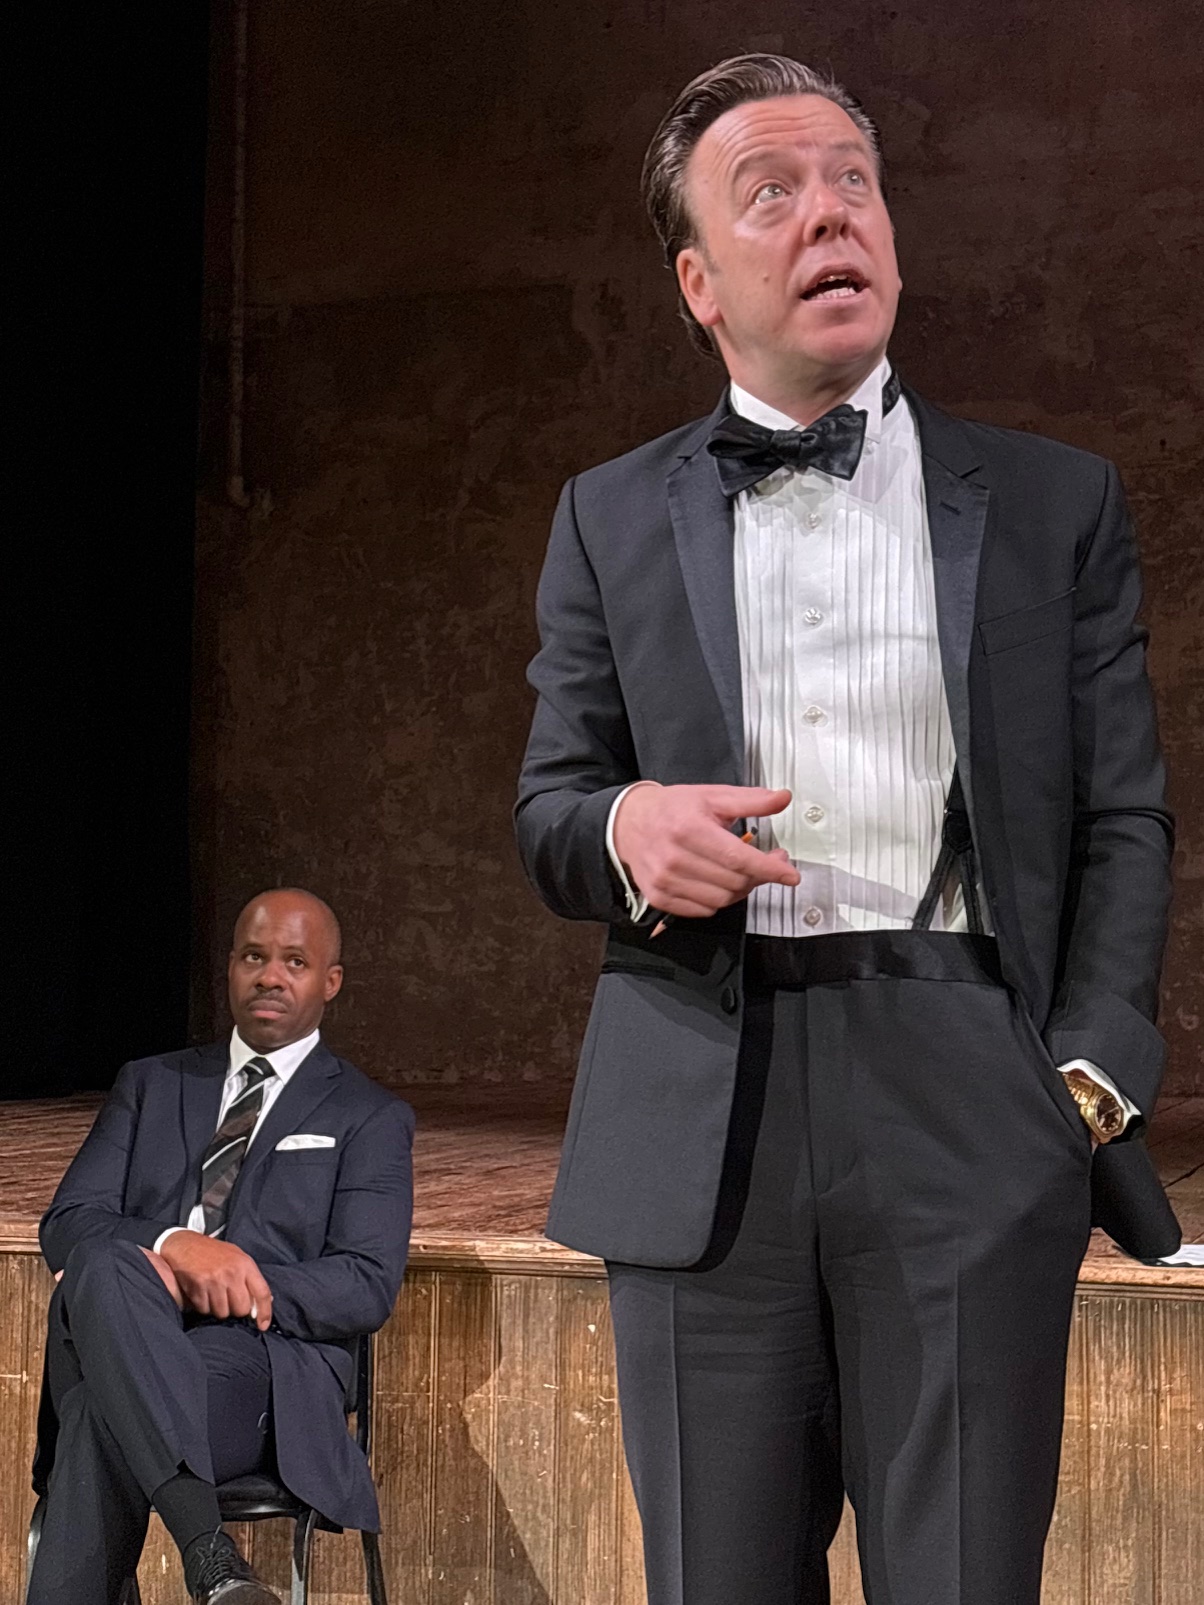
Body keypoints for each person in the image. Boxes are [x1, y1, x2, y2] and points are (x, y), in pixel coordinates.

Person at [515, 54, 1177, 1605]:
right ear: (699, 282)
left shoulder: (1054, 502)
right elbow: (552, 806)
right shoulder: (607, 515)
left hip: (969, 1094)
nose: (830, 214)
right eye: (772, 193)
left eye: (855, 183)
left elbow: (1124, 812)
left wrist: (1085, 1075)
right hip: (706, 1098)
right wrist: (629, 826)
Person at [28, 888, 415, 1605]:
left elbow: (365, 1282)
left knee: (95, 1416)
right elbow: (69, 1221)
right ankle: (212, 1559)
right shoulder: (151, 1083)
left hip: (259, 1365)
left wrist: (233, 1278)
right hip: (131, 1325)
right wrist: (175, 1246)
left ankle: (206, 1552)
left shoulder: (367, 1114)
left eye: (294, 961)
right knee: (107, 1262)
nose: (270, 976)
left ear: (331, 980)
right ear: (230, 967)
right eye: (254, 957)